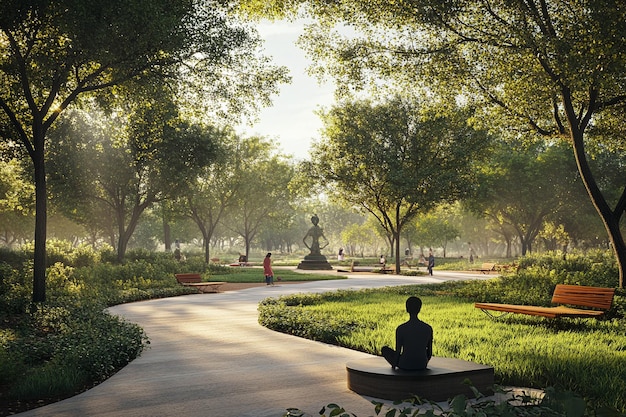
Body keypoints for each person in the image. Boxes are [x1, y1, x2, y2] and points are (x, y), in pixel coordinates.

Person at [382, 296, 433, 371]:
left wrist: (393, 368)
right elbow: (429, 352)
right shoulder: (428, 328)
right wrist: (423, 362)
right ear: (419, 309)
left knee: (384, 349)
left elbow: (398, 351)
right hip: (422, 364)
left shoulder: (401, 328)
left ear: (407, 309)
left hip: (405, 364)